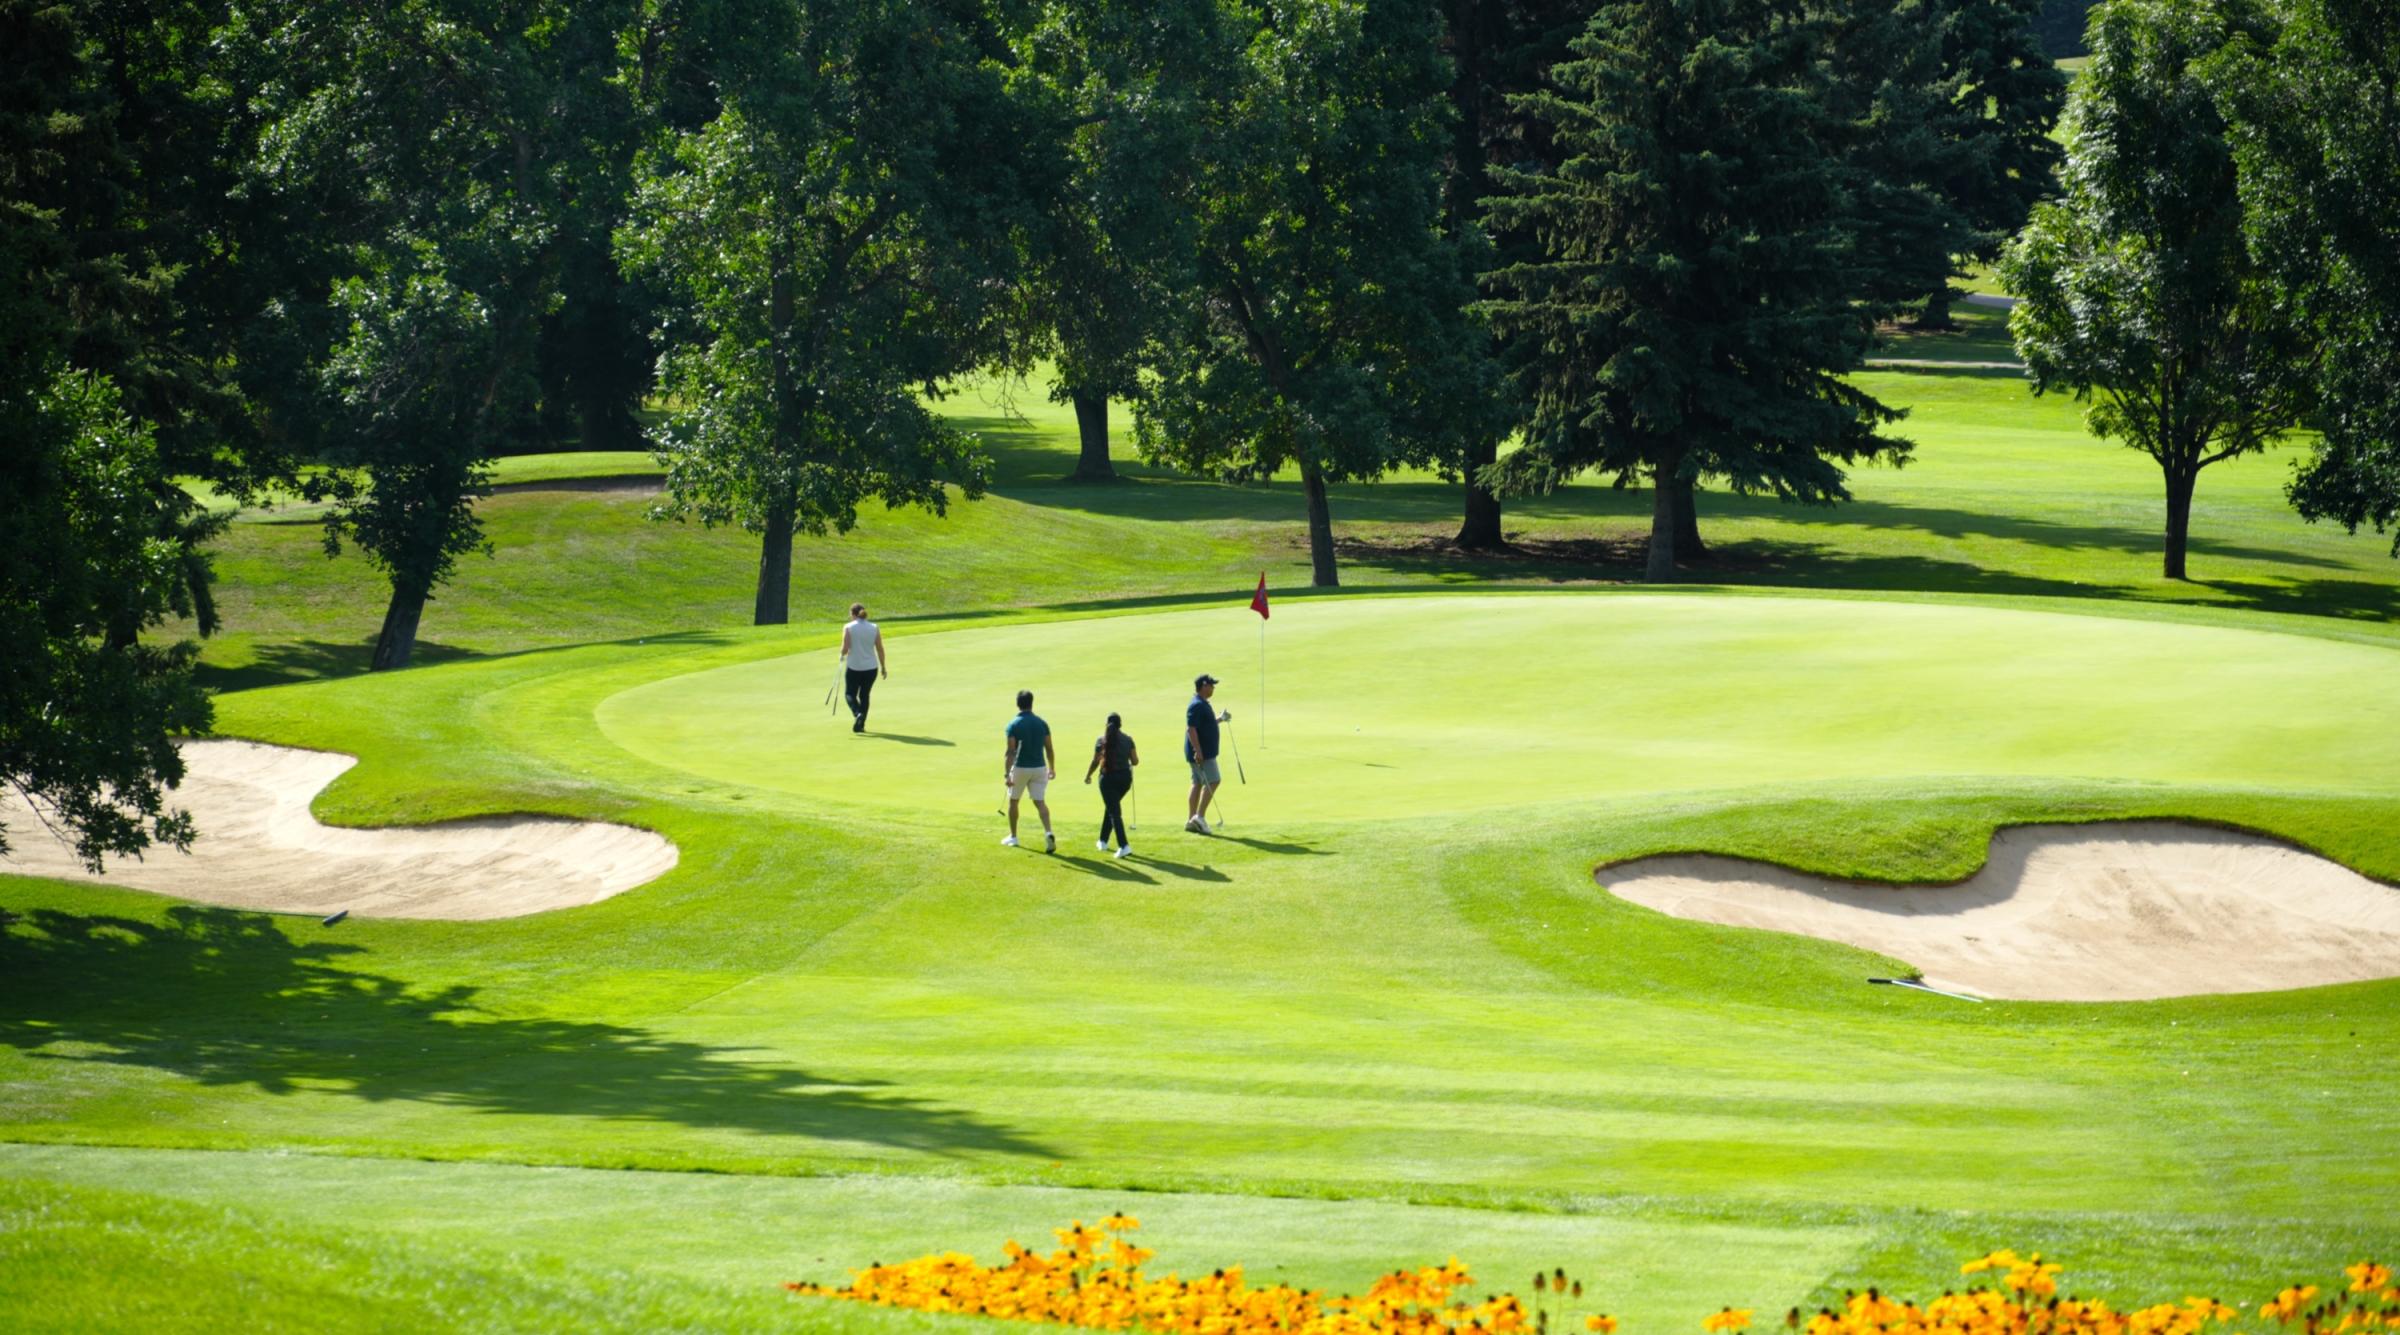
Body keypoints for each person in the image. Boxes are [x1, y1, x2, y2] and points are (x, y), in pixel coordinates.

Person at [1002, 689, 1056, 853]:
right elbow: (1049, 748)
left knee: (1014, 801)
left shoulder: (1013, 725)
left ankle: (1013, 836)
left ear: (1018, 704)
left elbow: (1011, 751)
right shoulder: (1042, 723)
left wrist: (1007, 774)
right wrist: (1052, 768)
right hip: (1039, 768)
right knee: (1040, 802)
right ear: (1031, 703)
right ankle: (1048, 832)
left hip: (1020, 768)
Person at [1083, 712, 1139, 859]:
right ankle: (1103, 841)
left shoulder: (1101, 740)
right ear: (1120, 725)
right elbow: (1135, 761)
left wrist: (1088, 775)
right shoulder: (1128, 739)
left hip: (1107, 780)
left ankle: (1124, 846)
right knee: (1112, 806)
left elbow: (1095, 761)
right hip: (1125, 780)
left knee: (1114, 811)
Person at [839, 603, 887, 733]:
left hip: (854, 667)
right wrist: (883, 666)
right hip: (871, 668)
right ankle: (861, 725)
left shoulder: (848, 627)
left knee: (850, 693)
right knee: (864, 695)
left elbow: (845, 647)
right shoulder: (874, 627)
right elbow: (880, 648)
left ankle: (857, 714)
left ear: (853, 614)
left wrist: (841, 654)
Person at [1184, 674, 1221, 834]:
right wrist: (1198, 751)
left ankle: (1192, 820)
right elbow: (1191, 729)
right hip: (1203, 753)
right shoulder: (1197, 705)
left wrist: (1219, 719)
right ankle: (1199, 816)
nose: (1213, 688)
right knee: (1214, 780)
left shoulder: (1202, 703)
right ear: (1204, 686)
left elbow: (1204, 724)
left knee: (1197, 783)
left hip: (1202, 752)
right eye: (1211, 685)